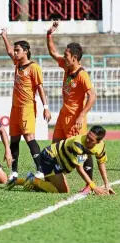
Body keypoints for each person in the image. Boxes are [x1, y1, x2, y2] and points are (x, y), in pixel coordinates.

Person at [46, 21, 97, 193]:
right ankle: (56, 178)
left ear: (74, 57)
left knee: (81, 150)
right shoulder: (66, 67)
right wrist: (49, 34)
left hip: (75, 119)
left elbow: (93, 96)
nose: (64, 56)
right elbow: (52, 52)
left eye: (66, 54)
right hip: (63, 116)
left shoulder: (82, 75)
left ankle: (89, 185)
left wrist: (81, 115)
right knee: (55, 147)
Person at [0, 28, 51, 181]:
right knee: (14, 139)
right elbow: (9, 51)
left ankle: (41, 170)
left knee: (29, 137)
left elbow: (40, 88)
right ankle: (14, 173)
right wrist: (4, 37)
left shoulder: (34, 67)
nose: (15, 53)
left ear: (26, 51)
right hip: (15, 108)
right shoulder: (17, 64)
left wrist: (46, 107)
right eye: (15, 51)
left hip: (27, 107)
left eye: (18, 51)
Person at [6, 126, 116, 195]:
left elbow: (101, 163)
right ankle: (31, 180)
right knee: (63, 190)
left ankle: (19, 181)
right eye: (88, 136)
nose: (87, 139)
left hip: (57, 162)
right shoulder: (78, 143)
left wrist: (107, 184)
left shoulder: (100, 147)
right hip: (49, 157)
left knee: (49, 188)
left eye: (91, 139)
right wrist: (94, 187)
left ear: (98, 141)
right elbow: (79, 168)